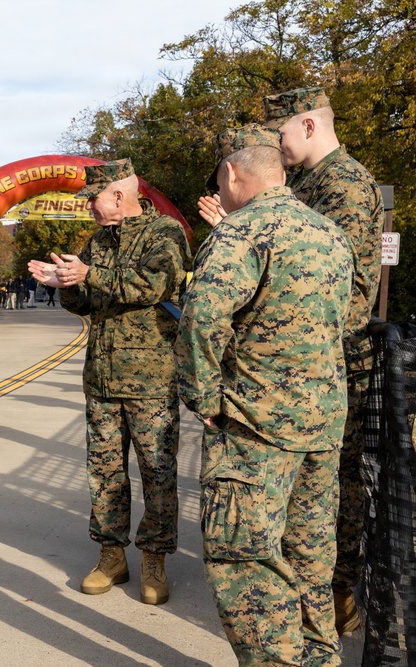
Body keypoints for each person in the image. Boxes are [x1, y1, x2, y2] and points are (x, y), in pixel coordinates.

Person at [198, 88, 385, 636]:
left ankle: (329, 603)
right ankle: (305, 617)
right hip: (304, 372)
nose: (274, 147)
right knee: (300, 515)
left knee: (326, 505)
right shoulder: (308, 186)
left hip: (322, 371)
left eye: (279, 133)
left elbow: (343, 291)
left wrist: (243, 241)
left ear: (307, 125)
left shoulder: (344, 184)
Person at [176, 124, 353, 666]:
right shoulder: (329, 233)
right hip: (322, 427)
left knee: (245, 560)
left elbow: (203, 319)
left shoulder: (240, 234)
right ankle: (321, 659)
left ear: (232, 174)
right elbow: (341, 322)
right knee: (309, 559)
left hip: (256, 427)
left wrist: (203, 399)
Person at [28, 158, 191, 606]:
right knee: (104, 473)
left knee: (157, 473)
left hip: (151, 379)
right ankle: (111, 555)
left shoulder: (166, 234)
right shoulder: (98, 241)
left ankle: (154, 559)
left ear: (119, 195)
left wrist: (89, 274)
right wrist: (63, 283)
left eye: (94, 199)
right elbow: (87, 305)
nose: (89, 208)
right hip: (101, 376)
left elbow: (152, 285)